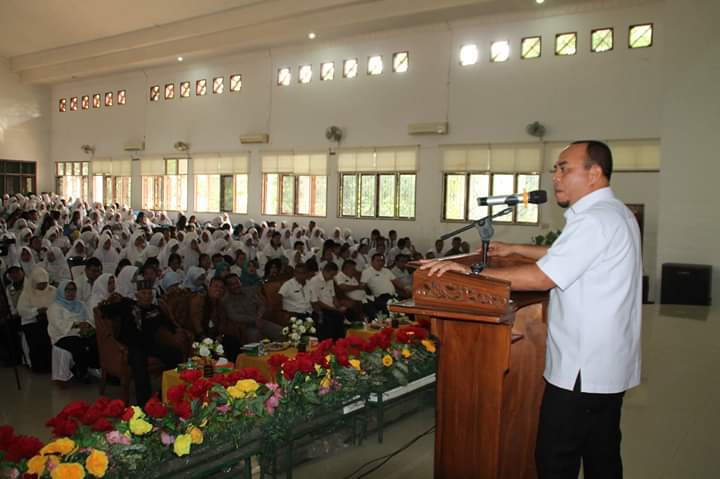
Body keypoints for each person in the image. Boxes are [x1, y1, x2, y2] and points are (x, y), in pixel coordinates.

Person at [420, 140, 641, 479]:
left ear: (594, 173)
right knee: (602, 455)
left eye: (564, 168)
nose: (555, 176)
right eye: (555, 168)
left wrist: (472, 272)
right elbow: (568, 254)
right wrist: (514, 248)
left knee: (555, 460)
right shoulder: (614, 213)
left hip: (581, 370)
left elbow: (542, 278)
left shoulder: (594, 220)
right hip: (606, 364)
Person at [99, 279, 185, 405]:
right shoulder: (127, 305)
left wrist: (177, 332)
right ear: (137, 295)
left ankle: (166, 393)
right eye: (144, 293)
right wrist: (113, 300)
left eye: (150, 293)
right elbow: (104, 310)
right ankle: (145, 403)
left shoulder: (155, 310)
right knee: (139, 359)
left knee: (175, 354)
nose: (147, 296)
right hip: (130, 346)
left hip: (150, 344)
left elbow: (170, 325)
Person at [47, 280, 99, 382]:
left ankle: (93, 366)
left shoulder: (81, 304)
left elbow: (90, 318)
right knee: (80, 346)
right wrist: (77, 324)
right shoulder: (54, 307)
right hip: (63, 335)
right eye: (68, 290)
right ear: (61, 291)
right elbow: (59, 325)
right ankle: (80, 371)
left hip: (82, 332)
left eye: (73, 290)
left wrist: (87, 324)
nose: (71, 293)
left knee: (96, 341)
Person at [17, 267, 56, 373]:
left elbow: (57, 306)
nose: (43, 286)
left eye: (45, 283)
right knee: (37, 339)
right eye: (40, 283)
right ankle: (38, 366)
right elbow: (21, 310)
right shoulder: (27, 292)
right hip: (31, 322)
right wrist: (37, 311)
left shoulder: (52, 290)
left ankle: (50, 364)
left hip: (49, 320)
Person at [308, 262, 348, 340]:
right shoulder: (314, 281)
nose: (333, 277)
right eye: (332, 275)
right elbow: (316, 302)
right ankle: (332, 341)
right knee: (335, 317)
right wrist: (334, 309)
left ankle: (339, 341)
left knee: (343, 313)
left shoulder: (330, 280)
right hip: (320, 308)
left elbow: (333, 296)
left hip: (331, 308)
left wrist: (339, 307)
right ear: (325, 271)